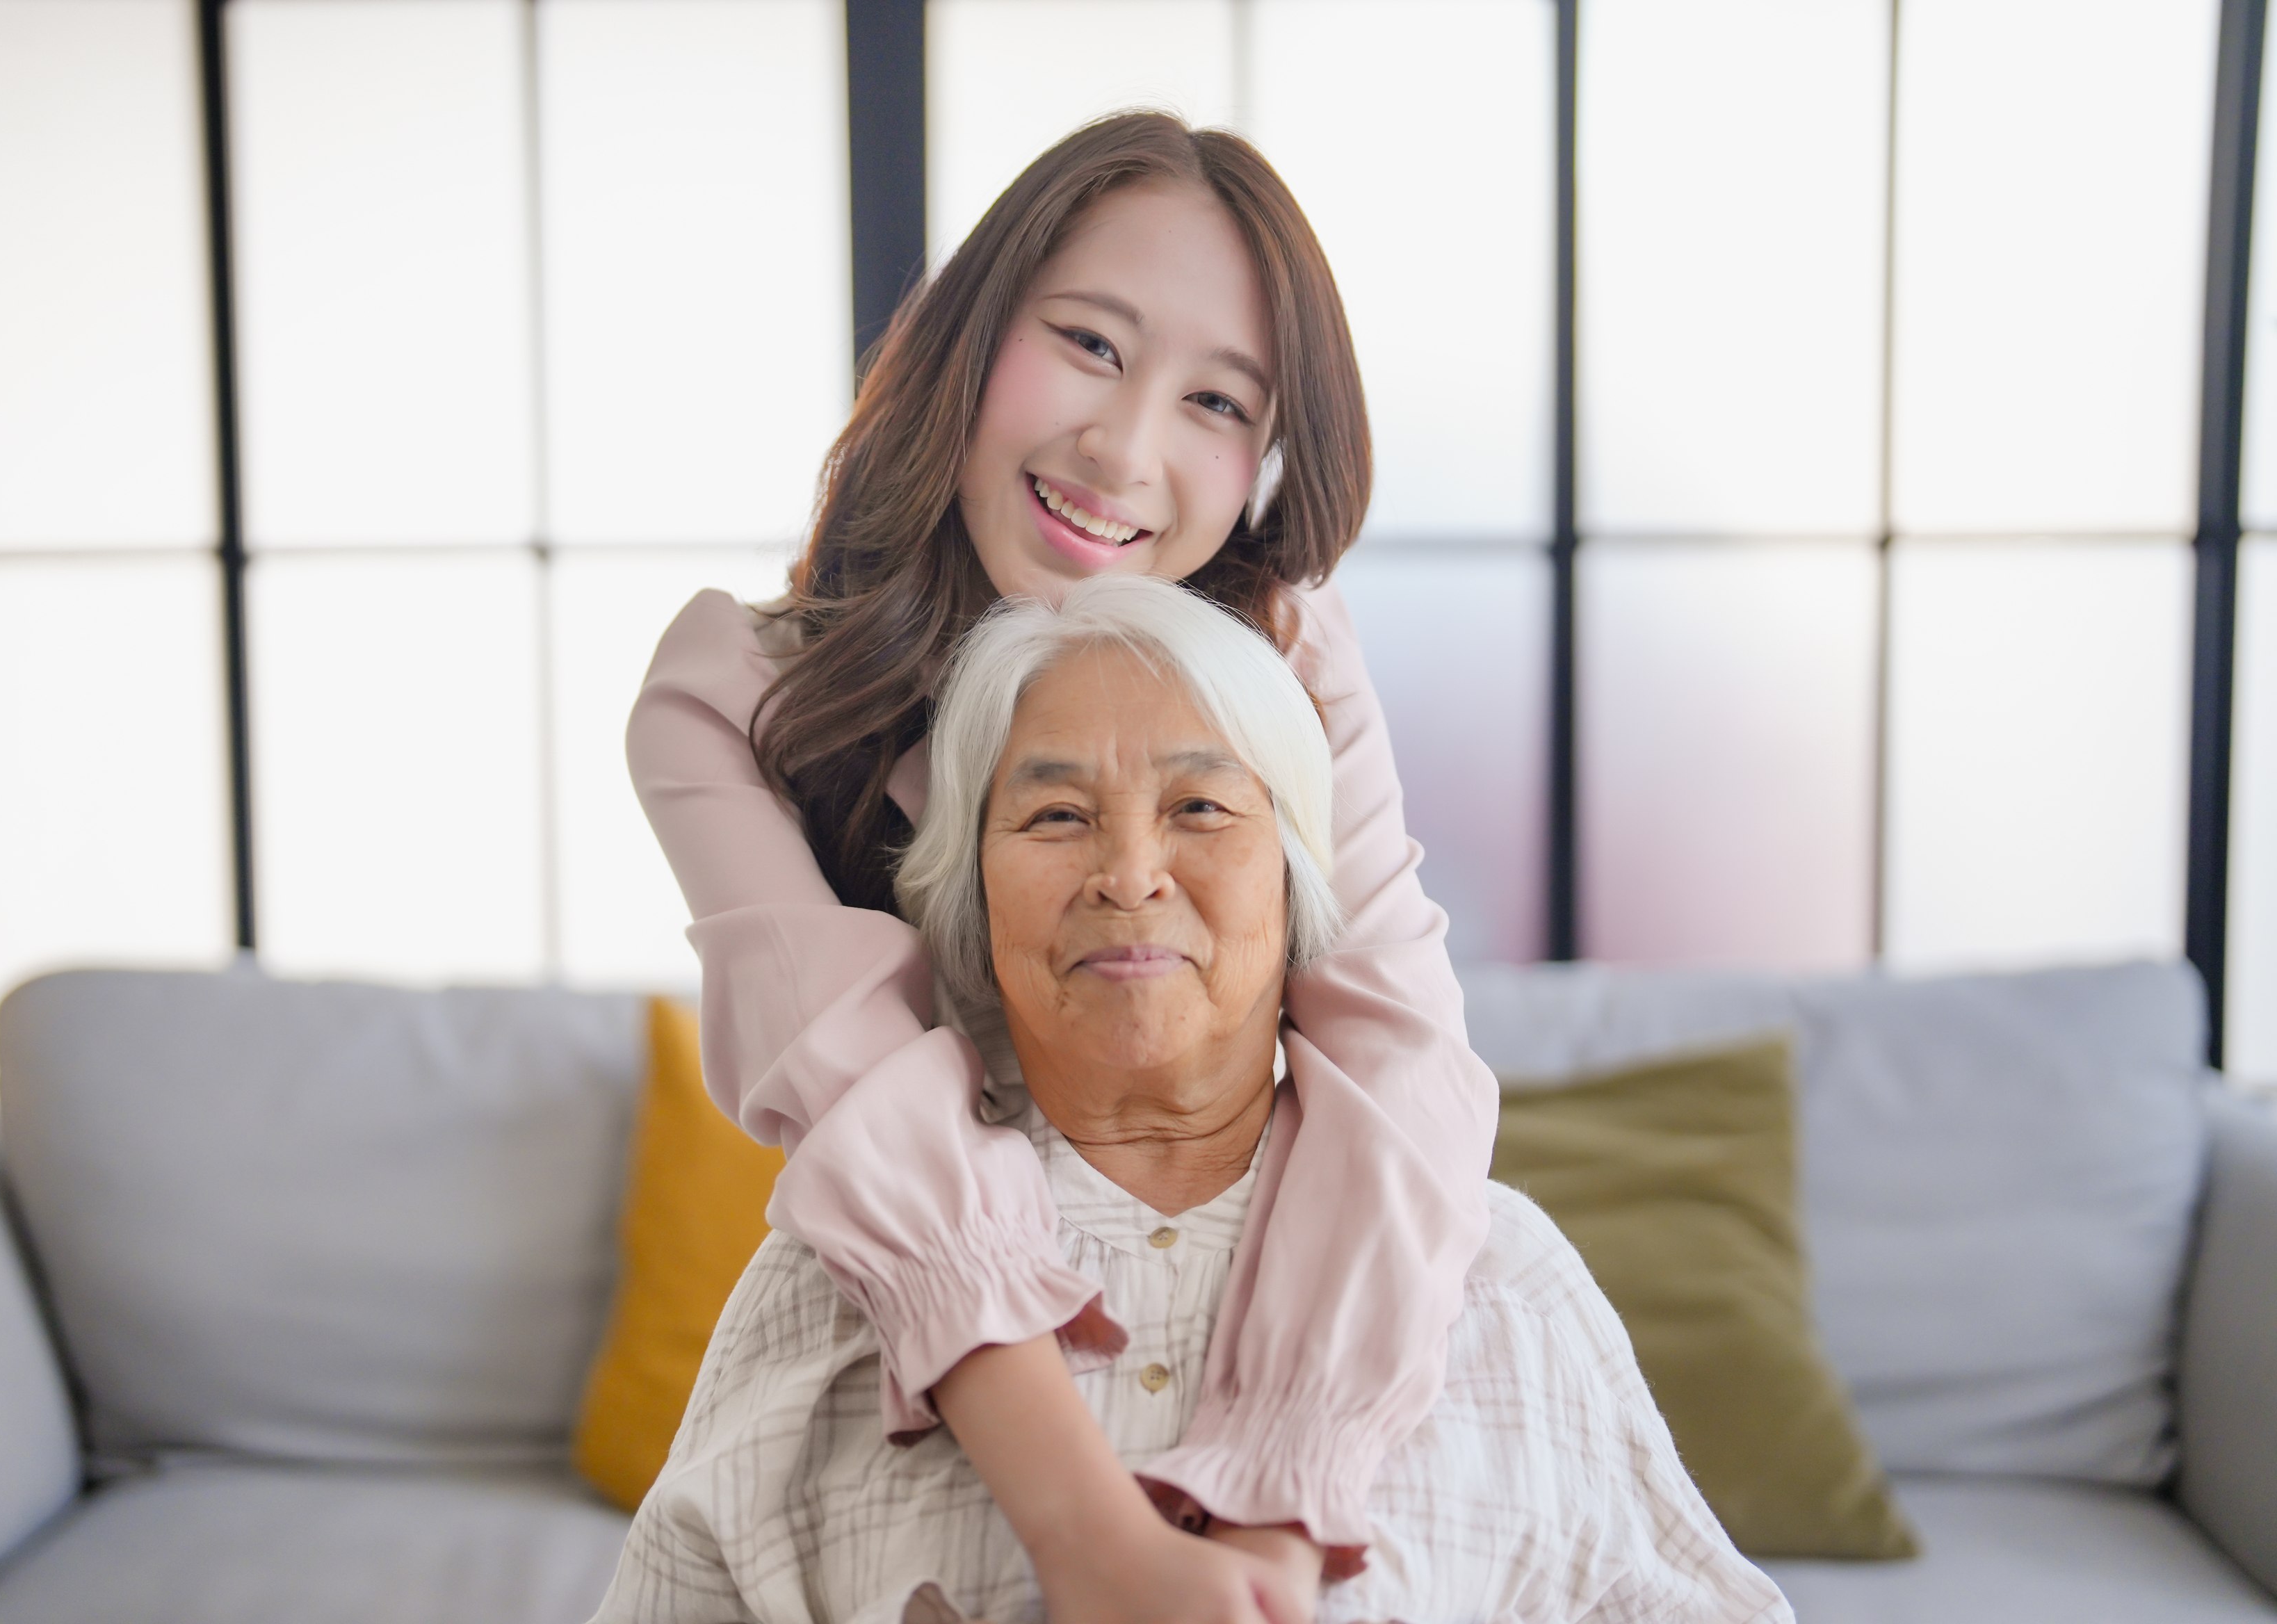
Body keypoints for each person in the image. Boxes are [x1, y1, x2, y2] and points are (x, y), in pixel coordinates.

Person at [628, 112, 1496, 1618]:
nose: (1126, 447)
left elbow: (1397, 1057)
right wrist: (1093, 1541)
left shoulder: (1284, 656)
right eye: (1090, 345)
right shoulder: (736, 699)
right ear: (972, 339)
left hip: (1274, 1307)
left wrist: (1276, 1517)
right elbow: (861, 1096)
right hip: (934, 1354)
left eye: (1218, 401)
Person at [595, 577, 1791, 1624]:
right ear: (973, 908)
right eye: (1056, 815)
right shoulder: (825, 1289)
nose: (1128, 873)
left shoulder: (1504, 1279)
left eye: (1202, 808)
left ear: (1300, 885)